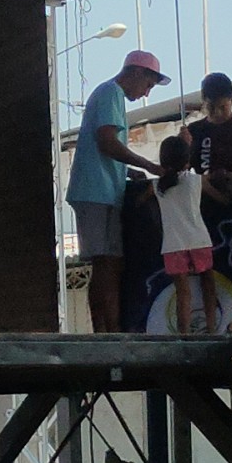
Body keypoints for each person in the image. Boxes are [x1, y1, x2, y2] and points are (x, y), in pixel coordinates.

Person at [66, 49, 167, 332]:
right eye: (148, 84)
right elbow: (107, 143)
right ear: (136, 72)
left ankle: (106, 330)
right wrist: (147, 164)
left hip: (100, 191)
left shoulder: (109, 94)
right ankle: (106, 332)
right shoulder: (111, 93)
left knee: (108, 264)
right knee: (107, 264)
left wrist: (127, 172)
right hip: (97, 192)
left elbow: (104, 149)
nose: (146, 93)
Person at [184, 73, 232, 284]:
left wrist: (221, 178)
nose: (216, 113)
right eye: (211, 107)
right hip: (201, 211)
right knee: (205, 269)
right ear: (203, 101)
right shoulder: (194, 131)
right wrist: (181, 147)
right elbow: (182, 169)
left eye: (222, 107)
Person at [153, 133, 217, 332]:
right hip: (199, 240)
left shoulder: (157, 186)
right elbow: (221, 198)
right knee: (208, 285)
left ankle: (184, 335)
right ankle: (212, 329)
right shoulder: (196, 181)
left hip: (172, 245)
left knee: (183, 293)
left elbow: (139, 201)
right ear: (187, 160)